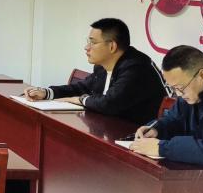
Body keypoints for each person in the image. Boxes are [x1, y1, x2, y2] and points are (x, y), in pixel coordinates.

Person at [22, 18, 166, 125]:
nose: (86, 47)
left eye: (93, 42)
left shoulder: (136, 67)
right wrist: (46, 93)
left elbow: (109, 103)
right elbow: (82, 87)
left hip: (138, 136)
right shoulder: (102, 66)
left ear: (112, 46)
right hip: (108, 128)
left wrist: (79, 100)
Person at [131, 46, 203, 164]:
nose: (178, 95)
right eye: (172, 88)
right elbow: (174, 118)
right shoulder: (188, 91)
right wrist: (157, 129)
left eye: (180, 88)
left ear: (202, 75)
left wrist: (163, 148)